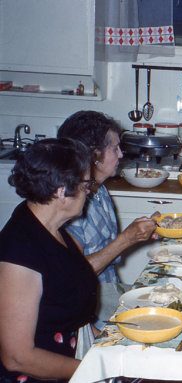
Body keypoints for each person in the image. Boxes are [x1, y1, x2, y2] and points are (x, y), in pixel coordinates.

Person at [0, 138, 98, 382]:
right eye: (87, 184)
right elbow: (17, 357)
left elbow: (68, 311)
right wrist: (100, 371)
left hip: (74, 358)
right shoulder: (20, 253)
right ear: (61, 190)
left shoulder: (54, 231)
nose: (89, 191)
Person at [57, 110, 158, 332]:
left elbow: (107, 249)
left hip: (108, 290)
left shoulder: (99, 190)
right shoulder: (68, 205)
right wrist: (126, 238)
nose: (121, 154)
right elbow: (73, 276)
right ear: (94, 156)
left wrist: (140, 234)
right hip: (88, 306)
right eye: (114, 148)